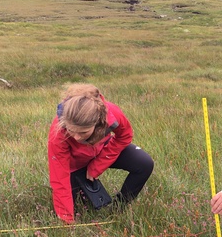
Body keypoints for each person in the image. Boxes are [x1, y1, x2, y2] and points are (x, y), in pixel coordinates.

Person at [47, 84, 154, 224]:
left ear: (97, 122)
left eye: (83, 132)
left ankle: (118, 208)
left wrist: (97, 166)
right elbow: (59, 178)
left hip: (102, 151)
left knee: (144, 163)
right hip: (75, 165)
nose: (77, 137)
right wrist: (67, 221)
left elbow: (125, 136)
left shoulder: (111, 114)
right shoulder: (58, 133)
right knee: (82, 206)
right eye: (71, 131)